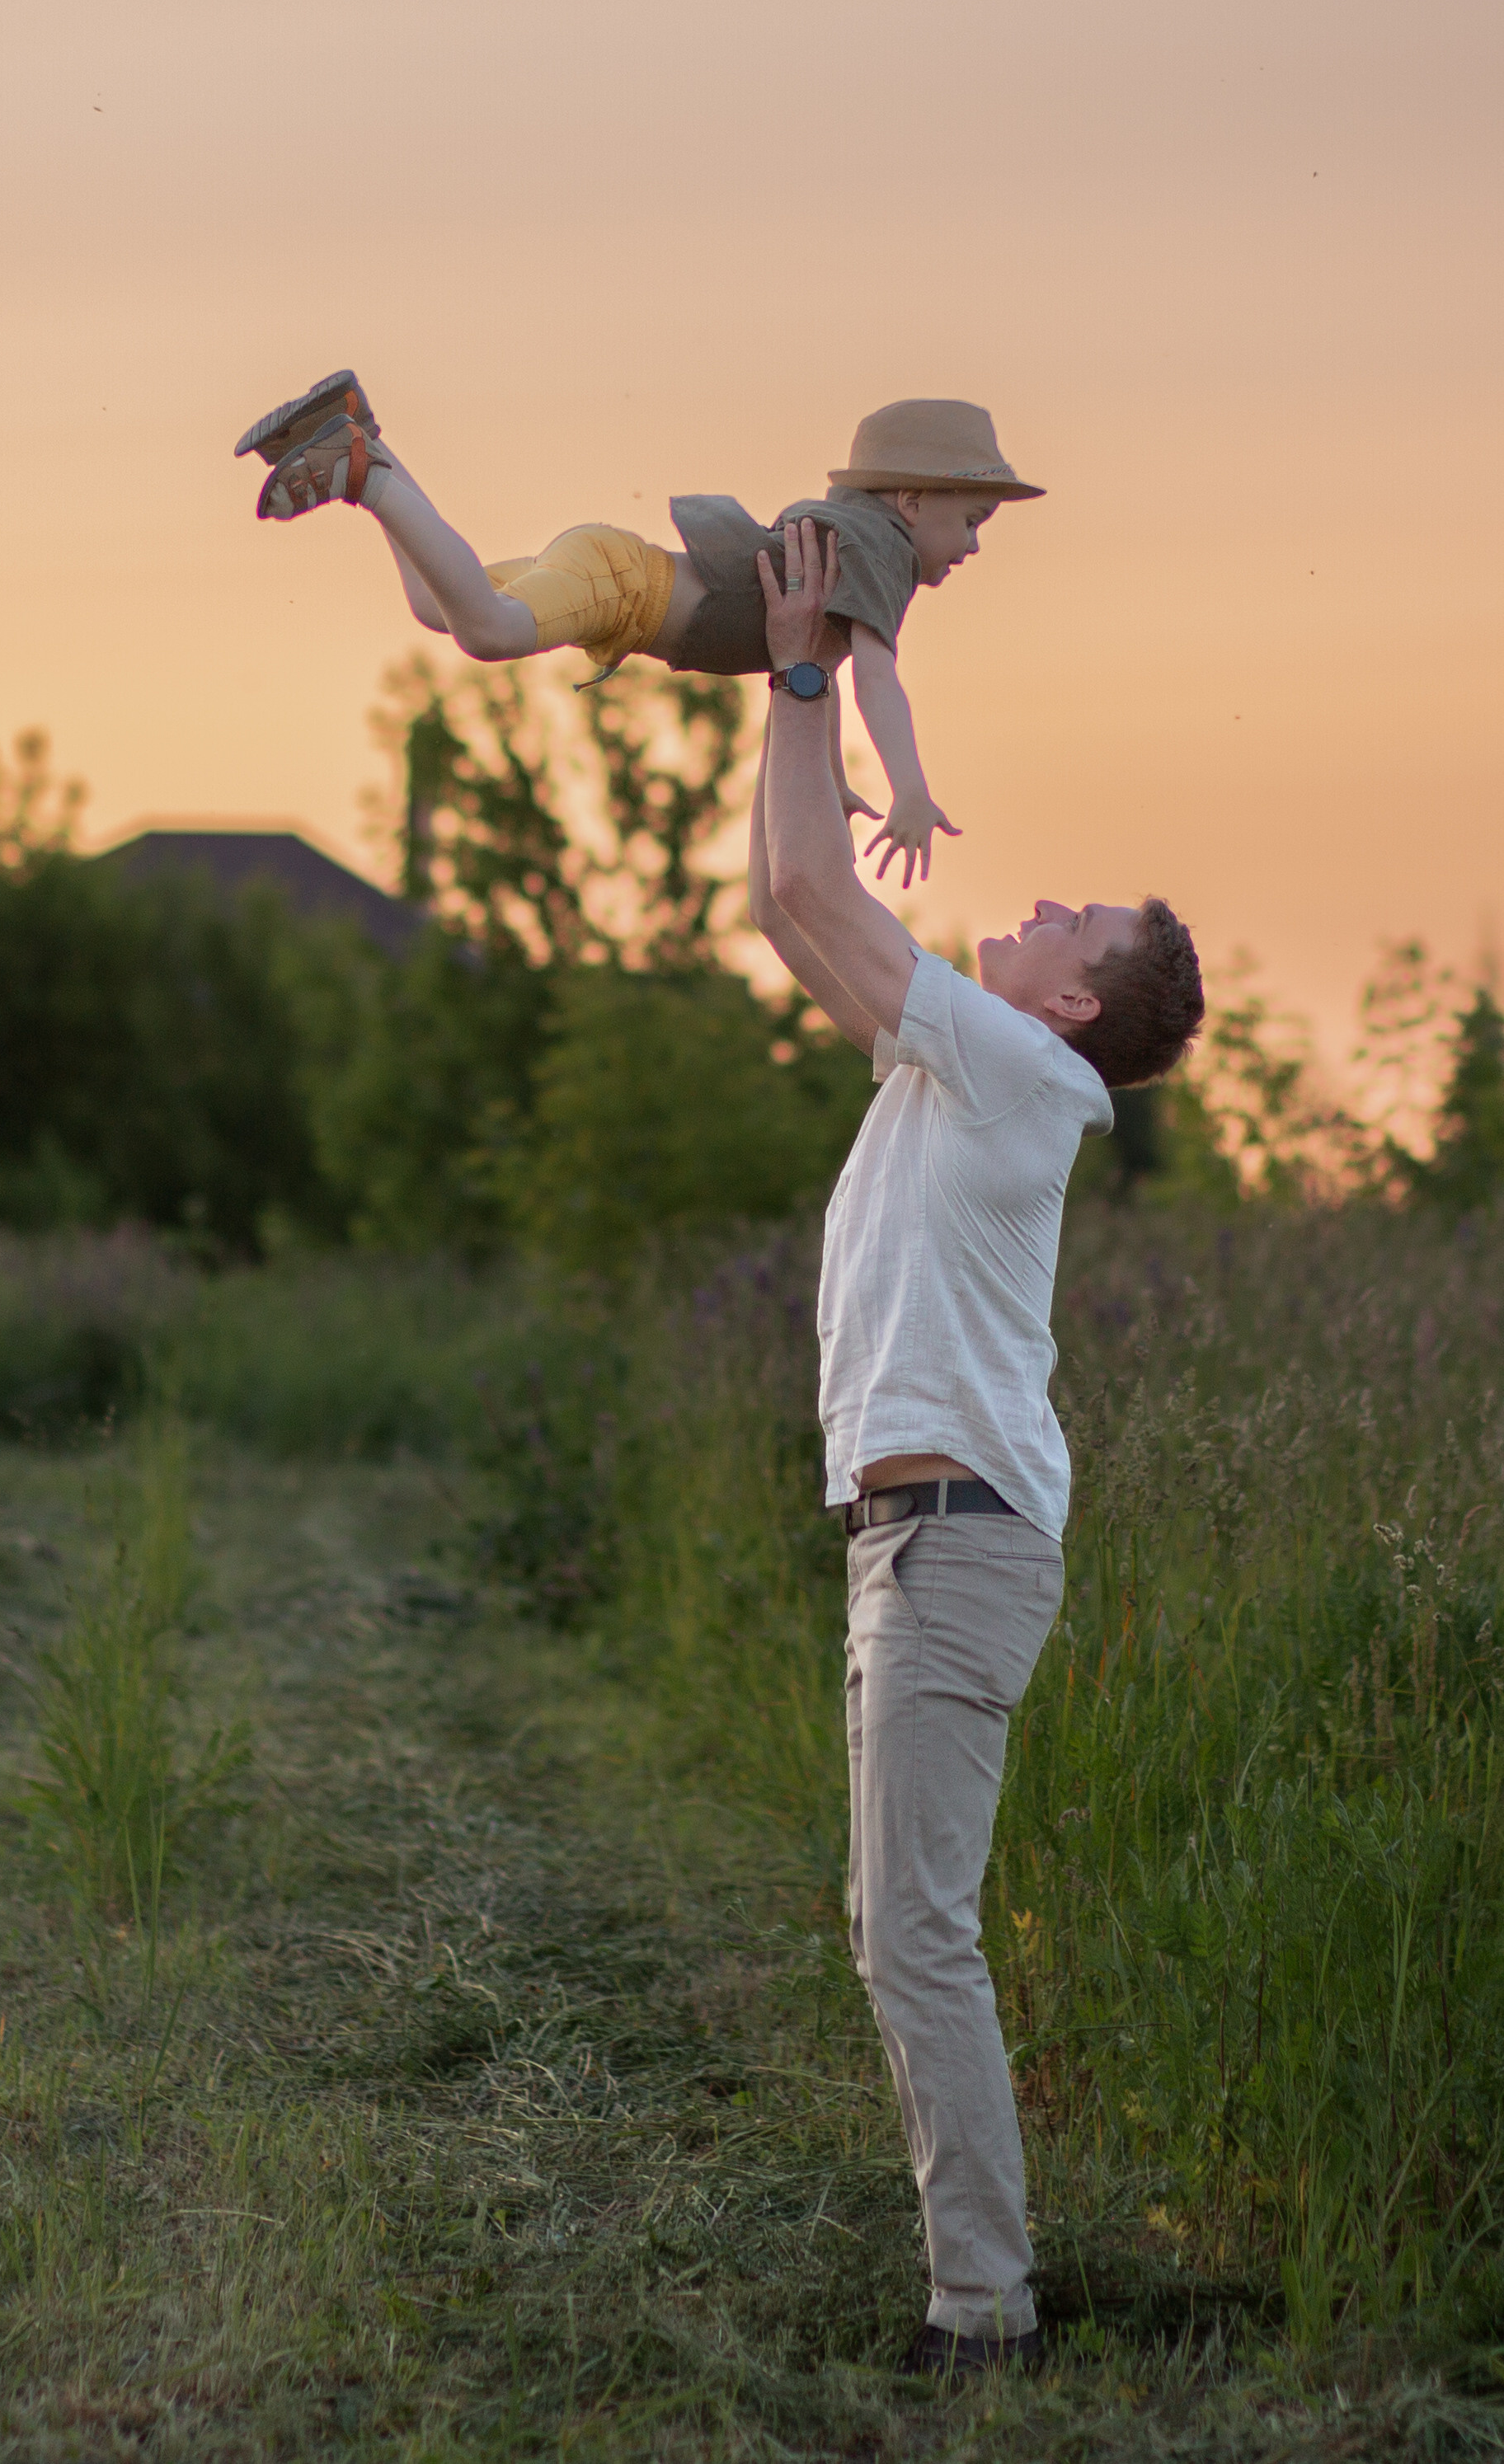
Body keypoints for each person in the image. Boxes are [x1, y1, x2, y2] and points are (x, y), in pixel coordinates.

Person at [747, 516, 1204, 2377]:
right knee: (897, 1926)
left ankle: (984, 2309)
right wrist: (790, 681)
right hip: (917, 1535)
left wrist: (805, 666)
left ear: (1074, 1002)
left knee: (912, 1930)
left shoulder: (1027, 1072)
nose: (1034, 908)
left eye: (1066, 925)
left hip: (956, 1536)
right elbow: (787, 900)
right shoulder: (954, 1067)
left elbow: (815, 882)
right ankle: (980, 2288)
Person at [233, 371, 1041, 889]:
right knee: (487, 631)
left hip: (616, 570)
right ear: (911, 503)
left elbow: (819, 665)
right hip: (622, 588)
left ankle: (362, 435)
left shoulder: (853, 545)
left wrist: (826, 775)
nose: (972, 546)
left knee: (438, 605)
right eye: (972, 521)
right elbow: (874, 675)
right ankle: (364, 473)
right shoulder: (883, 552)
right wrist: (910, 789)